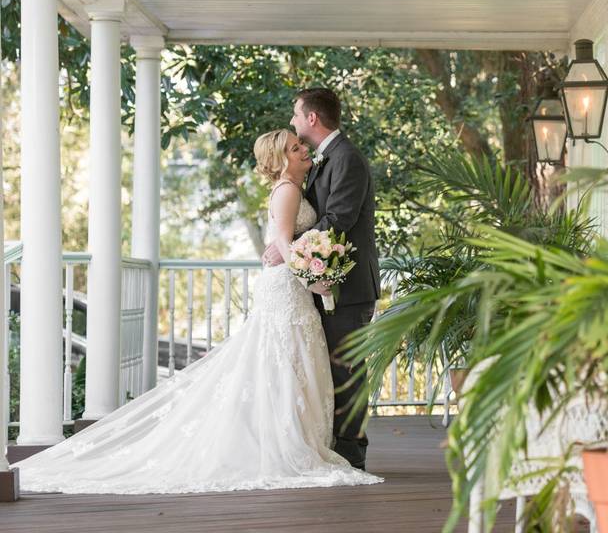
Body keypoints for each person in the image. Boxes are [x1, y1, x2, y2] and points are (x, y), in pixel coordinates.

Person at [12, 129, 381, 494]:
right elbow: (284, 243)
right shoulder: (287, 191)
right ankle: (282, 446)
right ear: (281, 159)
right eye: (295, 147)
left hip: (292, 290)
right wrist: (311, 279)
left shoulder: (296, 189)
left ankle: (295, 439)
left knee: (291, 365)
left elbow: (286, 243)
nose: (304, 150)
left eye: (301, 144)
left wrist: (308, 271)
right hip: (287, 289)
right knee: (283, 363)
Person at [262, 87, 380, 470]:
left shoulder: (347, 159)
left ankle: (351, 453)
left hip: (349, 287)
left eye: (296, 114)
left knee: (347, 369)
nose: (293, 121)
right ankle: (324, 445)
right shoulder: (320, 162)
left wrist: (288, 245)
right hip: (321, 282)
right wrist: (291, 248)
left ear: (312, 118)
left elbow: (339, 219)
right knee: (325, 370)